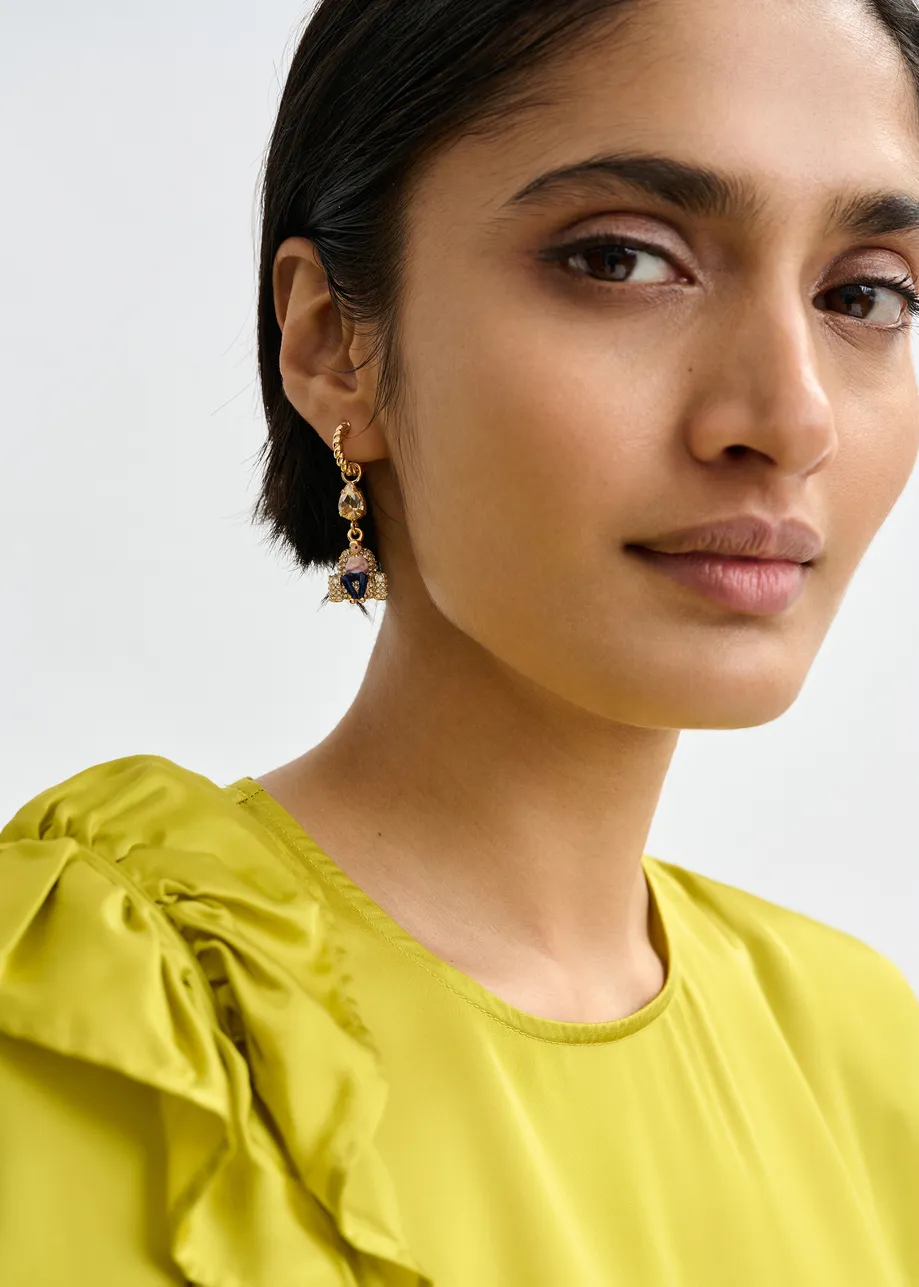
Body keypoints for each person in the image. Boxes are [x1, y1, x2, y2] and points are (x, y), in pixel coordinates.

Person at [2, 0, 919, 1282]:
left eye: (866, 293)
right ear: (332, 345)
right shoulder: (99, 1012)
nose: (789, 416)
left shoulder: (865, 1052)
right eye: (621, 261)